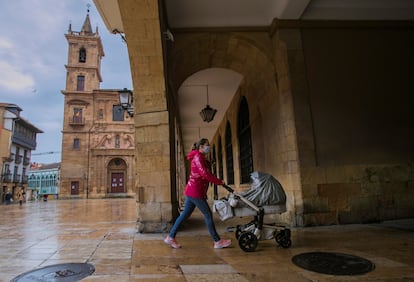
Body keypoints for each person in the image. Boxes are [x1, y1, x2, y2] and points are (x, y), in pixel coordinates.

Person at [164, 138, 231, 249]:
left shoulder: (200, 158)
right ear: (201, 147)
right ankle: (217, 241)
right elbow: (204, 174)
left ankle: (170, 237)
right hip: (195, 191)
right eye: (207, 145)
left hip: (192, 190)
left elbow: (204, 171)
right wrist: (219, 182)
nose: (208, 147)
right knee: (208, 215)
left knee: (185, 215)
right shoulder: (198, 157)